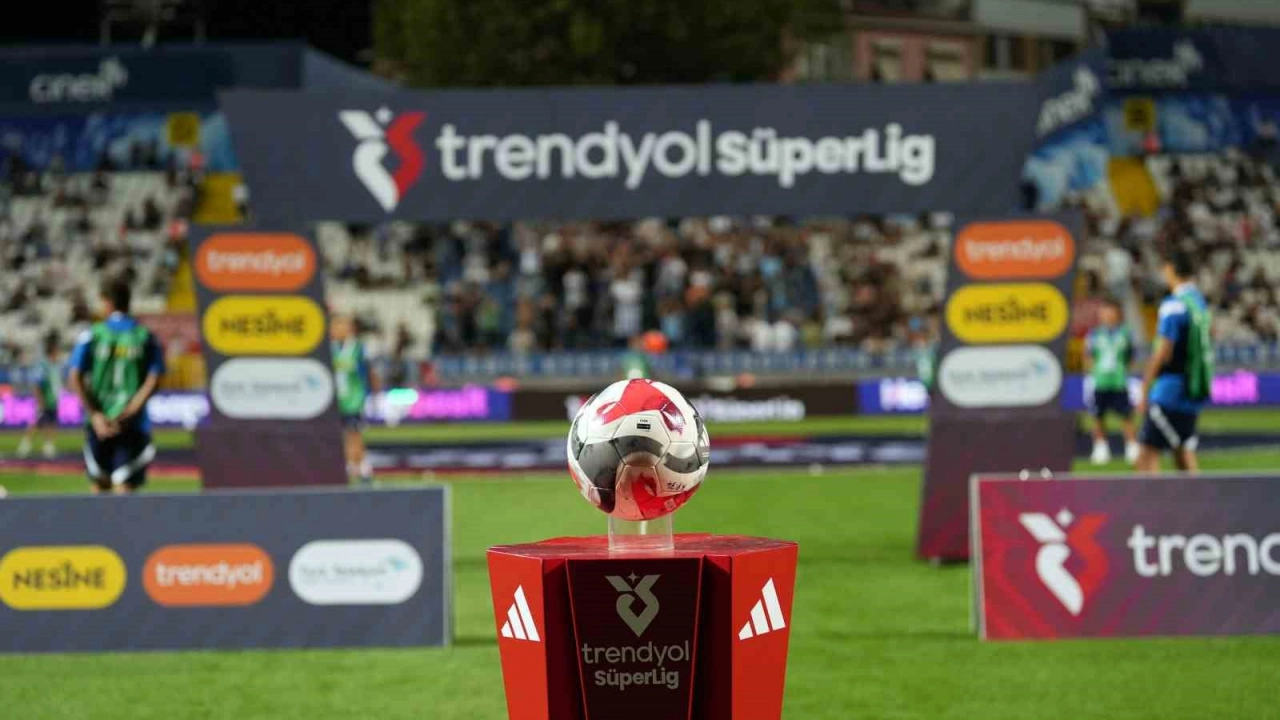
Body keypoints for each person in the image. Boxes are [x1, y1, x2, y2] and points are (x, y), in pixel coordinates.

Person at [67, 278, 164, 494]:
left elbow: (75, 377)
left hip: (98, 425)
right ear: (128, 302)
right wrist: (129, 413)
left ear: (107, 302)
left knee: (99, 488)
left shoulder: (92, 335)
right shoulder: (145, 336)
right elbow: (154, 379)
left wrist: (95, 415)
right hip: (133, 425)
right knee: (125, 490)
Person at [1135, 250, 1213, 474]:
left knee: (1146, 455)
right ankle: (1198, 497)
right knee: (1182, 452)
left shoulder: (1173, 305)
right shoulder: (1198, 303)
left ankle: (1150, 498)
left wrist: (1145, 386)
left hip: (1169, 390)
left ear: (1170, 269)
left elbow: (1164, 351)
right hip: (1193, 386)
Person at [1085, 297, 1139, 465]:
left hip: (1119, 382)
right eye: (1105, 312)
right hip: (1100, 382)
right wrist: (1092, 374)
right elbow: (1088, 356)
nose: (1108, 315)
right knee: (1097, 417)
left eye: (1111, 312)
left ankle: (1132, 448)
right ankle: (1101, 449)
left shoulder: (1126, 333)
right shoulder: (1094, 334)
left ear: (1118, 313)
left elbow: (1131, 356)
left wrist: (1125, 372)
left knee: (1126, 416)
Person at [331, 313, 377, 486]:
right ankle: (363, 469)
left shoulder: (358, 348)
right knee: (344, 436)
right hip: (337, 402)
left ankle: (354, 470)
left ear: (350, 329)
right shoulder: (330, 348)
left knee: (354, 435)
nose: (336, 330)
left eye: (340, 325)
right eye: (334, 326)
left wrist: (372, 394)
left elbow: (369, 372)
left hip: (354, 400)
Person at [17, 335, 63, 459]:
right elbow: (36, 384)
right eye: (57, 351)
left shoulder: (55, 366)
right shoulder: (43, 366)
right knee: (37, 423)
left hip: (53, 400)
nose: (59, 354)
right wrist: (40, 400)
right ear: (52, 352)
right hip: (44, 399)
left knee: (51, 423)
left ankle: (48, 445)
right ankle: (25, 444)